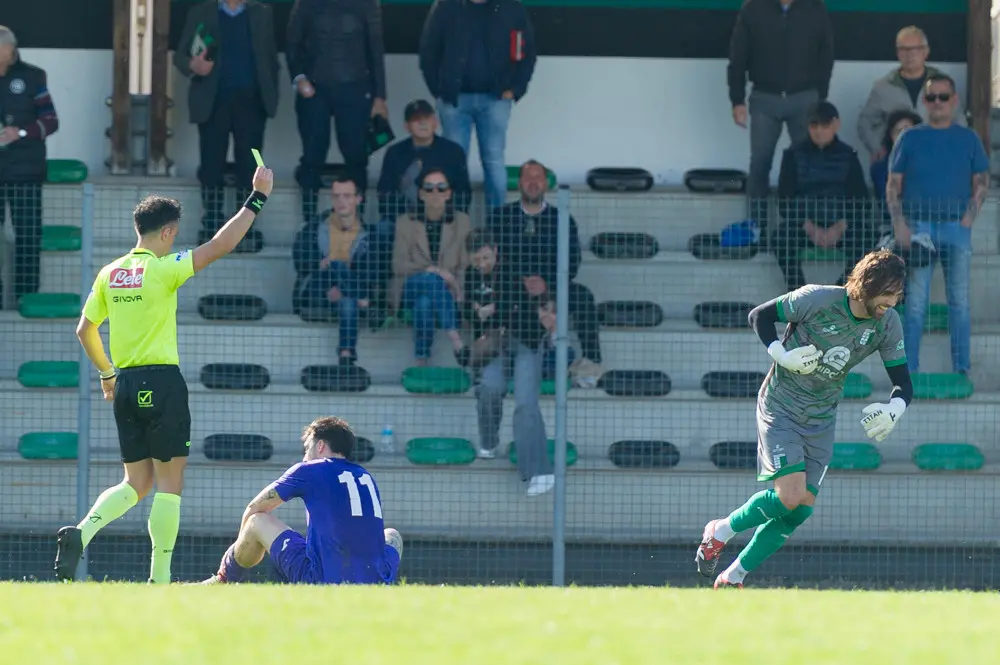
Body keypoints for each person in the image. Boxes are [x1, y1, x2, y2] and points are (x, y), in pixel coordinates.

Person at [54, 165, 275, 583]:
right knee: (169, 485)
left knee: (135, 483)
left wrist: (106, 374)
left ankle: (82, 532)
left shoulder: (110, 273)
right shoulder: (163, 268)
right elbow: (221, 244)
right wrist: (257, 196)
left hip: (125, 384)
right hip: (162, 383)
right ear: (168, 232)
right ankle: (159, 579)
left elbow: (84, 329)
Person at [695, 249, 914, 588]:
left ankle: (733, 577)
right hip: (781, 406)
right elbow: (759, 316)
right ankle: (719, 531)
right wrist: (782, 355)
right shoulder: (817, 299)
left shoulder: (887, 323)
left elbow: (903, 382)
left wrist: (894, 409)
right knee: (789, 495)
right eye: (887, 293)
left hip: (822, 417)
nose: (892, 302)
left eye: (897, 294)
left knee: (800, 510)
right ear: (867, 286)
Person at [202, 416, 402, 585]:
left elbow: (254, 507)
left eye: (307, 449)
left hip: (321, 578)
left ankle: (223, 579)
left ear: (320, 445)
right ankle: (381, 582)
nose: (305, 456)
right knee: (392, 535)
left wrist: (235, 549)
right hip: (375, 578)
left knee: (256, 521)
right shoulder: (365, 476)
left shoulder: (308, 470)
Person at [886, 73, 988, 377]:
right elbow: (893, 184)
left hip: (957, 228)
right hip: (918, 229)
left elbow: (981, 181)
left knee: (960, 303)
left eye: (944, 96)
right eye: (932, 97)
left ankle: (962, 369)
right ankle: (908, 373)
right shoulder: (910, 138)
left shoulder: (969, 138)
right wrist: (899, 224)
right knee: (915, 305)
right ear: (925, 101)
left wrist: (969, 218)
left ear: (954, 100)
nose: (938, 102)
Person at [773, 101, 872, 291]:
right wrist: (809, 227)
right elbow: (784, 200)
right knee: (780, 238)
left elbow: (862, 201)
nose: (819, 131)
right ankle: (799, 294)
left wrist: (840, 226)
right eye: (814, 125)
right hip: (803, 225)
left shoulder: (848, 155)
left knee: (868, 239)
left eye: (825, 125)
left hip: (841, 225)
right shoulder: (793, 155)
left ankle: (839, 293)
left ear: (836, 125)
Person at [0, 25, 59, 303]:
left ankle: (27, 297)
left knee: (28, 234)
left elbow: (51, 121)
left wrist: (20, 132)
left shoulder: (33, 77)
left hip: (25, 171)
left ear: (10, 50)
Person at [390, 168, 471, 366]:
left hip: (446, 292)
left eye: (441, 188)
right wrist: (435, 272)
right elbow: (398, 265)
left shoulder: (462, 221)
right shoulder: (405, 222)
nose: (435, 192)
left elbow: (465, 265)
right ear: (421, 194)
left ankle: (422, 357)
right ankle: (455, 337)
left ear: (448, 193)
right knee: (430, 279)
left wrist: (456, 285)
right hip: (410, 287)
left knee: (424, 303)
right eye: (429, 188)